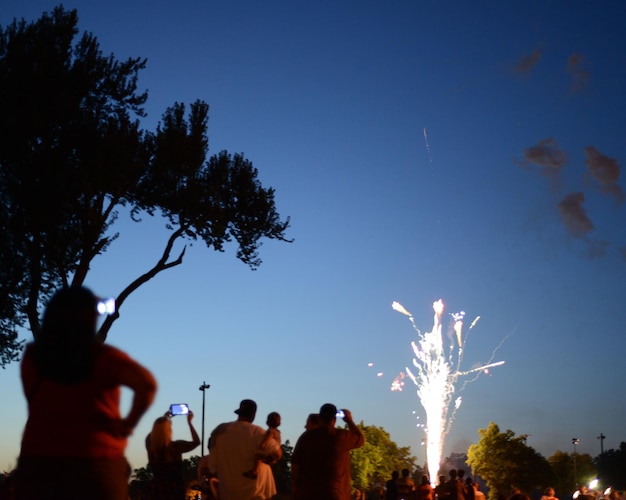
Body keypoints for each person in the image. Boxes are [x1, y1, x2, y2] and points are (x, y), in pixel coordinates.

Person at [14, 286, 157, 500]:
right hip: (96, 462)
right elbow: (146, 384)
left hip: (39, 461)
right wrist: (128, 423)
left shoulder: (32, 358)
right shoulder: (104, 357)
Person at [291, 403, 365, 500]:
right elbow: (361, 439)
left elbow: (295, 464)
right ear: (334, 420)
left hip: (309, 493)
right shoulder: (342, 437)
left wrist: (296, 487)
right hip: (336, 494)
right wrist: (349, 420)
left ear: (320, 418)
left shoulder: (306, 437)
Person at [208, 399, 278, 500]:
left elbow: (212, 466)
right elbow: (277, 452)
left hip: (229, 492)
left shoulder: (219, 431)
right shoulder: (257, 432)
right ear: (254, 415)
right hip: (255, 492)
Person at [146, 409, 201, 499]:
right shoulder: (176, 447)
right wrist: (189, 422)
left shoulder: (151, 448)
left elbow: (150, 436)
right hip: (174, 489)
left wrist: (165, 418)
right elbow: (196, 442)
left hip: (156, 489)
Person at [244, 411, 282, 479]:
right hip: (278, 452)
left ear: (267, 422)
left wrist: (263, 444)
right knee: (264, 459)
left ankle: (254, 471)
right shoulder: (278, 432)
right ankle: (270, 460)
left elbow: (269, 436)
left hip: (273, 450)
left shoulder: (271, 431)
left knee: (257, 456)